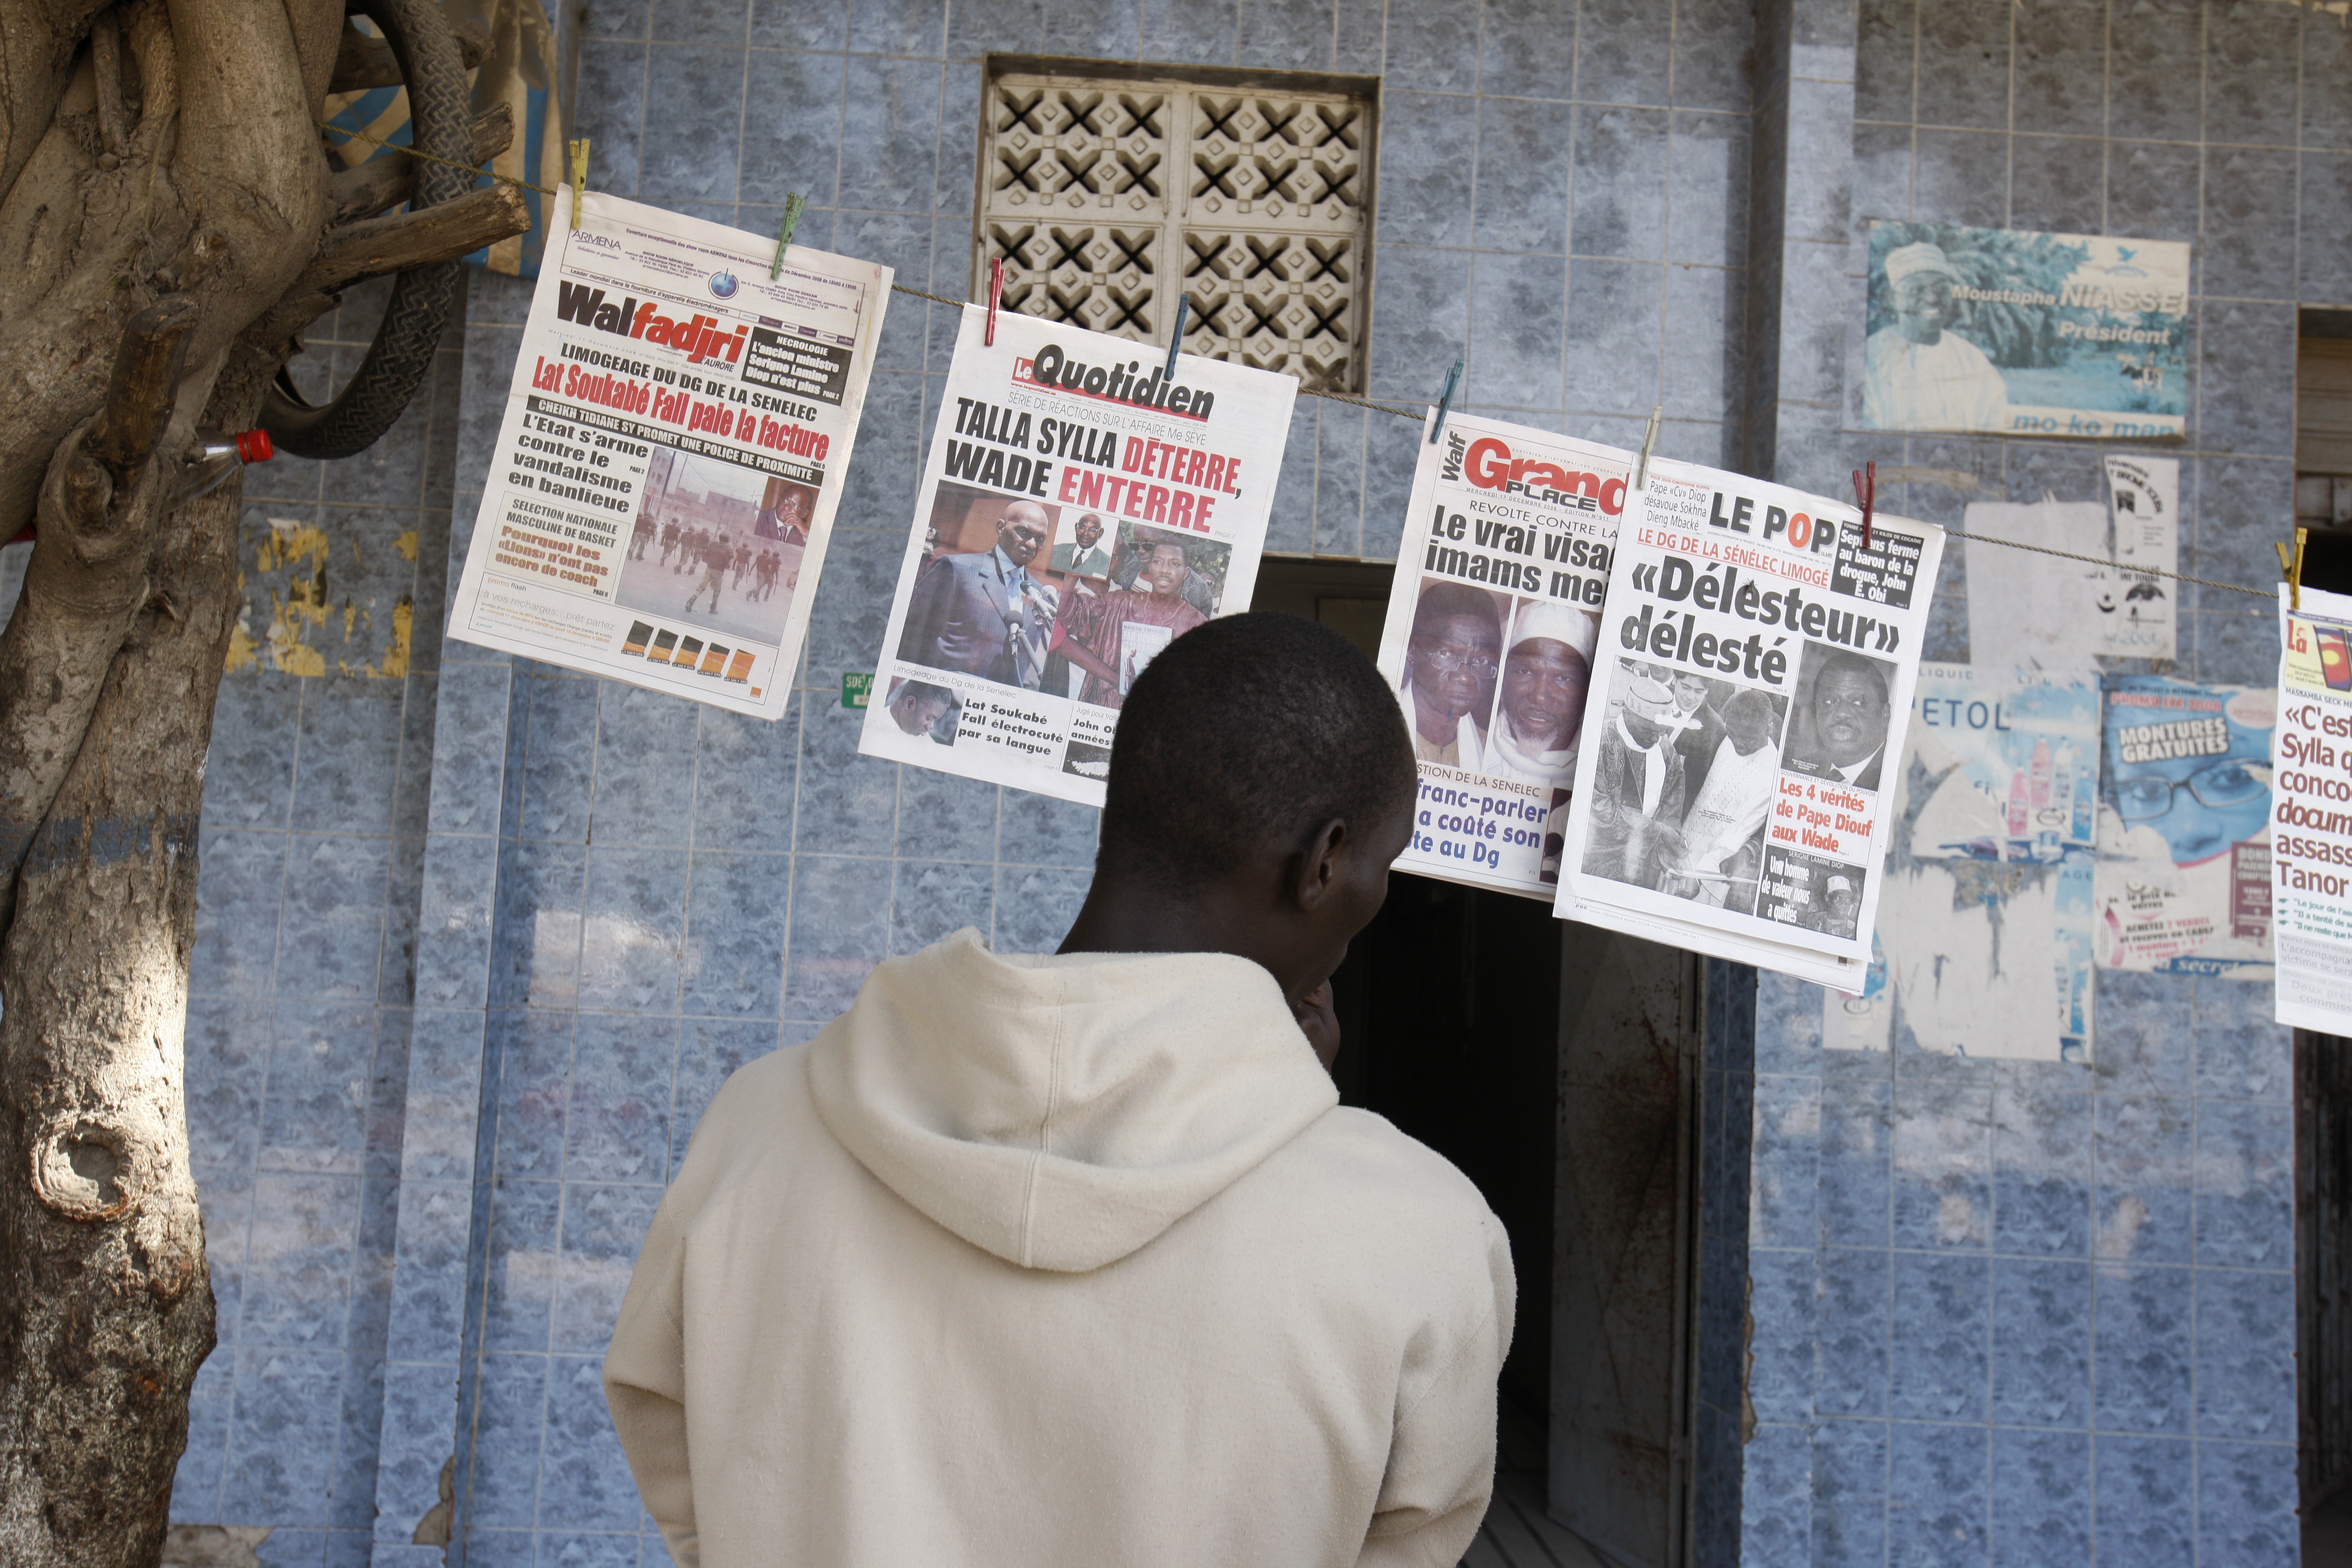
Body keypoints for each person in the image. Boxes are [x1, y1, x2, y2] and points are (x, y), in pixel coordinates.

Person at [604, 614, 1514, 1568]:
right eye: (1387, 860)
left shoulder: (760, 1128)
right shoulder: (1422, 1232)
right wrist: (1280, 1105)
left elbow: (679, 1454)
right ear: (1325, 861)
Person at [896, 501, 1058, 689]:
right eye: (1023, 532)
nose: (1032, 544)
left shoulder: (1040, 597)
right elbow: (911, 637)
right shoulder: (957, 569)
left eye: (1040, 538)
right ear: (1001, 528)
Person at [1862, 241, 2010, 432]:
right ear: (1892, 298)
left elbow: (1993, 428)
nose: (1932, 299)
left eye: (1942, 289)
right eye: (1917, 290)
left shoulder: (1973, 361)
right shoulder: (1870, 358)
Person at [1052, 533, 1208, 709]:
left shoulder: (1197, 624)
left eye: (1175, 564)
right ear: (1150, 567)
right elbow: (1069, 614)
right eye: (1158, 562)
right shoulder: (1119, 602)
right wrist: (1070, 578)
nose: (1165, 570)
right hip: (1104, 706)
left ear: (1186, 573)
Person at [1667, 689, 1781, 910]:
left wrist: (1698, 876)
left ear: (1769, 729)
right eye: (1733, 732)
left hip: (1707, 878)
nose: (1738, 743)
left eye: (1748, 738)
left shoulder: (1770, 771)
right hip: (1682, 847)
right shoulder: (1728, 741)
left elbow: (1738, 835)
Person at [1581, 667, 1687, 889]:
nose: (1657, 737)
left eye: (1661, 731)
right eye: (1649, 730)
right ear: (1627, 714)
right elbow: (1598, 810)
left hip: (1646, 862)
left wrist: (1667, 836)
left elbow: (1672, 805)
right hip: (1597, 861)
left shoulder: (1665, 750)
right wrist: (1657, 830)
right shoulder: (1600, 742)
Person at [1483, 601, 1592, 789]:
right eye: (1525, 672)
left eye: (1563, 678)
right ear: (1504, 677)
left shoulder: (1595, 774)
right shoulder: (1473, 746)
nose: (1540, 696)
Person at [1398, 583, 1501, 769]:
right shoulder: (1378, 729)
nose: (1465, 678)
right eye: (1447, 655)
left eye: (1482, 661)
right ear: (1413, 652)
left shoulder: (1493, 756)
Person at [1784, 652, 1890, 790]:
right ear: (1816, 710)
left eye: (1858, 702)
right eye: (1831, 701)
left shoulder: (1897, 781)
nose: (1842, 713)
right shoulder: (1798, 771)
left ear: (1885, 715)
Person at [1669, 671, 1727, 805]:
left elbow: (1696, 788)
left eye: (1699, 691)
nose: (1690, 697)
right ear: (1674, 679)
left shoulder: (1715, 728)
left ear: (1707, 691)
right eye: (1686, 687)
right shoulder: (1656, 698)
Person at [886, 679, 955, 742]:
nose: (931, 726)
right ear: (910, 704)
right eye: (929, 718)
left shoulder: (921, 736)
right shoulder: (880, 728)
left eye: (935, 720)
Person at [685, 529, 734, 616]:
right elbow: (730, 563)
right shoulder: (729, 549)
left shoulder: (713, 544)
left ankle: (691, 601)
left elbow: (707, 551)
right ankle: (713, 608)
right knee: (717, 590)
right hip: (718, 572)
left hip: (709, 568)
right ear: (728, 539)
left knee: (701, 587)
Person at [1050, 511, 1112, 578]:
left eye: (1092, 530)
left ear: (1100, 533)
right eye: (1082, 528)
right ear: (1076, 528)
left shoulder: (1107, 563)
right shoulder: (1055, 551)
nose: (1085, 534)